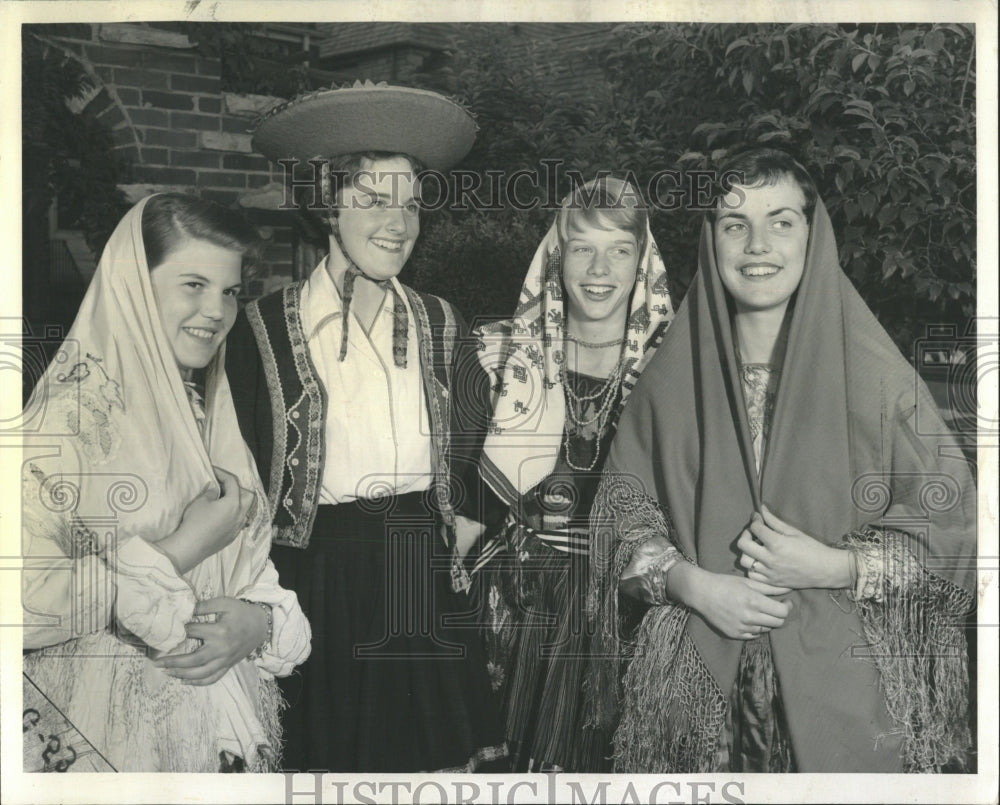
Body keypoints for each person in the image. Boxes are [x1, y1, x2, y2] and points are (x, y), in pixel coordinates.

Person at [587, 148, 976, 773]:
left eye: (782, 221)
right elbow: (618, 520)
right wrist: (691, 584)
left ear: (813, 235)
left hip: (847, 689)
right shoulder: (668, 381)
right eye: (735, 223)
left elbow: (957, 527)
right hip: (697, 697)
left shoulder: (878, 380)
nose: (757, 243)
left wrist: (837, 565)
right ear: (711, 241)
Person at [225, 82, 505, 772]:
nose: (399, 222)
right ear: (328, 202)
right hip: (317, 581)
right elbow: (230, 478)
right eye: (374, 199)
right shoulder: (261, 327)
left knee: (434, 767)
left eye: (410, 203)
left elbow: (479, 454)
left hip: (424, 575)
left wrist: (468, 518)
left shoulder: (443, 323)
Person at [21, 193, 312, 773]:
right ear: (133, 283)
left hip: (219, 728)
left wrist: (258, 623)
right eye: (193, 284)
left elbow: (251, 570)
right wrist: (183, 548)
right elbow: (21, 609)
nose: (217, 311)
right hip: (102, 730)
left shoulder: (209, 416)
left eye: (229, 291)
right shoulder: (62, 422)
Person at [471, 176, 674, 771]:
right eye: (582, 247)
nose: (599, 267)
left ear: (643, 261)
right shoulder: (502, 354)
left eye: (620, 249)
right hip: (517, 597)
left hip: (625, 603)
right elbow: (463, 494)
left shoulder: (673, 368)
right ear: (556, 258)